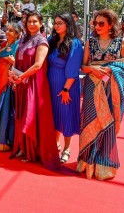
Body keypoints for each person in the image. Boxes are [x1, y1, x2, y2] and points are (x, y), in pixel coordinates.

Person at [78, 9, 124, 180]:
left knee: (107, 123)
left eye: (102, 23)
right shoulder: (90, 42)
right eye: (95, 23)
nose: (97, 26)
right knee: (90, 121)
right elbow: (83, 66)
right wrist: (93, 69)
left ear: (111, 24)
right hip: (91, 87)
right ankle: (87, 161)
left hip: (110, 89)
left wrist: (111, 69)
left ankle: (104, 163)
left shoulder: (121, 42)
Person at [9, 11, 59, 170]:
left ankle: (33, 152)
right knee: (21, 114)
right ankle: (23, 148)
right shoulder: (24, 39)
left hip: (35, 84)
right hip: (22, 82)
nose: (31, 24)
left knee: (31, 117)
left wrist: (21, 77)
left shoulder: (42, 41)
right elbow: (17, 60)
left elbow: (38, 65)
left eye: (34, 21)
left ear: (40, 23)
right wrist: (13, 75)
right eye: (29, 21)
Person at [47, 13, 83, 163]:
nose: (56, 26)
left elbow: (73, 69)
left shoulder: (75, 43)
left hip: (67, 86)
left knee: (66, 116)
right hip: (50, 84)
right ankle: (55, 144)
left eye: (60, 23)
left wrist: (66, 89)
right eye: (55, 23)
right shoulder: (51, 40)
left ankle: (67, 148)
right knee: (54, 116)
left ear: (68, 24)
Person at [0, 24, 20, 151]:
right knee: (1, 110)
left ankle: (7, 140)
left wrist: (12, 61)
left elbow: (20, 63)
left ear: (17, 34)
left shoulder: (18, 45)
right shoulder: (4, 44)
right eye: (7, 30)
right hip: (2, 80)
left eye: (11, 31)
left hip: (10, 81)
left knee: (9, 111)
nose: (7, 32)